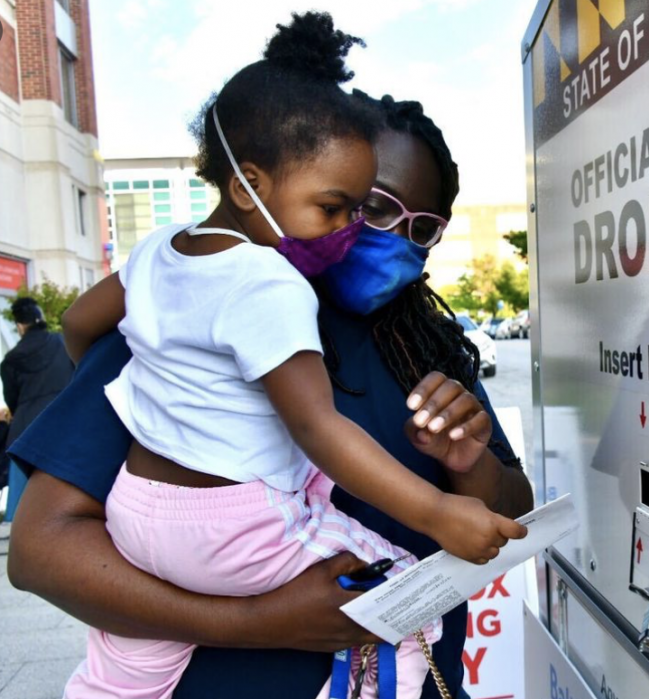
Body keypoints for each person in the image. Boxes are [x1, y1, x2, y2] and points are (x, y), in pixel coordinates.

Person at [7, 88, 534, 699]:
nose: (388, 237)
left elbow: (511, 514)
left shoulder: (430, 345)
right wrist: (257, 623)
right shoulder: (192, 314)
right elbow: (41, 551)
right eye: (371, 207)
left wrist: (474, 468)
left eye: (423, 228)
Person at [1, 297, 73, 521]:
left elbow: (12, 401)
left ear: (20, 325)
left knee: (20, 510)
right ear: (40, 317)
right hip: (64, 427)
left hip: (24, 434)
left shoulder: (10, 360)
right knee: (68, 501)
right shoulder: (62, 343)